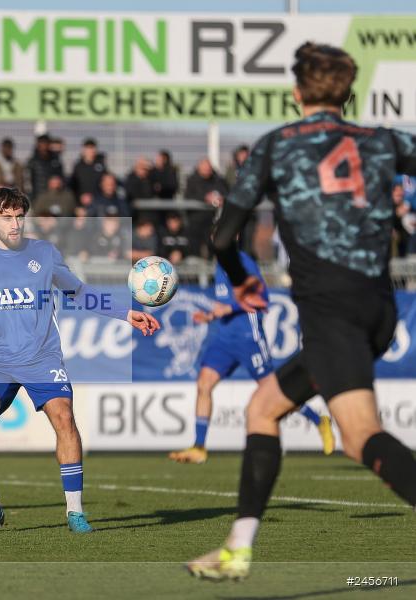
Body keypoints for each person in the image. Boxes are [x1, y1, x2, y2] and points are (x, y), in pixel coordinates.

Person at [187, 42, 416, 581]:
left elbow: (222, 235)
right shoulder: (381, 140)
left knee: (361, 436)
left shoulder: (276, 146)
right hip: (378, 306)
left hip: (332, 309)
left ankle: (239, 549)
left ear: (296, 94)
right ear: (348, 93)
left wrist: (242, 281)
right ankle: (238, 547)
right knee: (263, 408)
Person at [0, 187, 160, 534]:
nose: (15, 223)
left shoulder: (44, 252)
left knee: (64, 418)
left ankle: (75, 512)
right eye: (7, 217)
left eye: (19, 216)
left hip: (42, 357)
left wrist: (125, 313)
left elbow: (79, 292)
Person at [168, 249, 334, 465]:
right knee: (204, 384)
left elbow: (262, 296)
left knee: (273, 392)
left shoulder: (241, 260)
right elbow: (226, 303)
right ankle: (199, 447)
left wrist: (228, 308)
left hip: (249, 337)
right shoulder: (219, 264)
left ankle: (318, 419)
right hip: (225, 337)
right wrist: (210, 316)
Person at [26, 134, 63, 199]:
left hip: (53, 196)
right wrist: (31, 196)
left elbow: (61, 178)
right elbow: (27, 182)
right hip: (37, 197)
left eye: (46, 144)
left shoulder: (55, 161)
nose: (44, 147)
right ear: (38, 145)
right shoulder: (32, 162)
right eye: (41, 144)